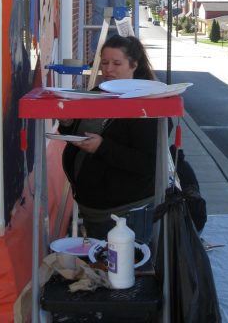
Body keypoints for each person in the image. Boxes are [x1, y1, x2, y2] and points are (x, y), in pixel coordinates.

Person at [58, 34, 158, 244]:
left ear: (134, 65)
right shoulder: (97, 94)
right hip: (93, 209)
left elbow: (148, 163)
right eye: (104, 62)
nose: (108, 69)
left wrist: (102, 148)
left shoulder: (148, 104)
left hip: (125, 213)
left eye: (116, 63)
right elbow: (78, 134)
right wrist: (67, 124)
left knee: (124, 271)